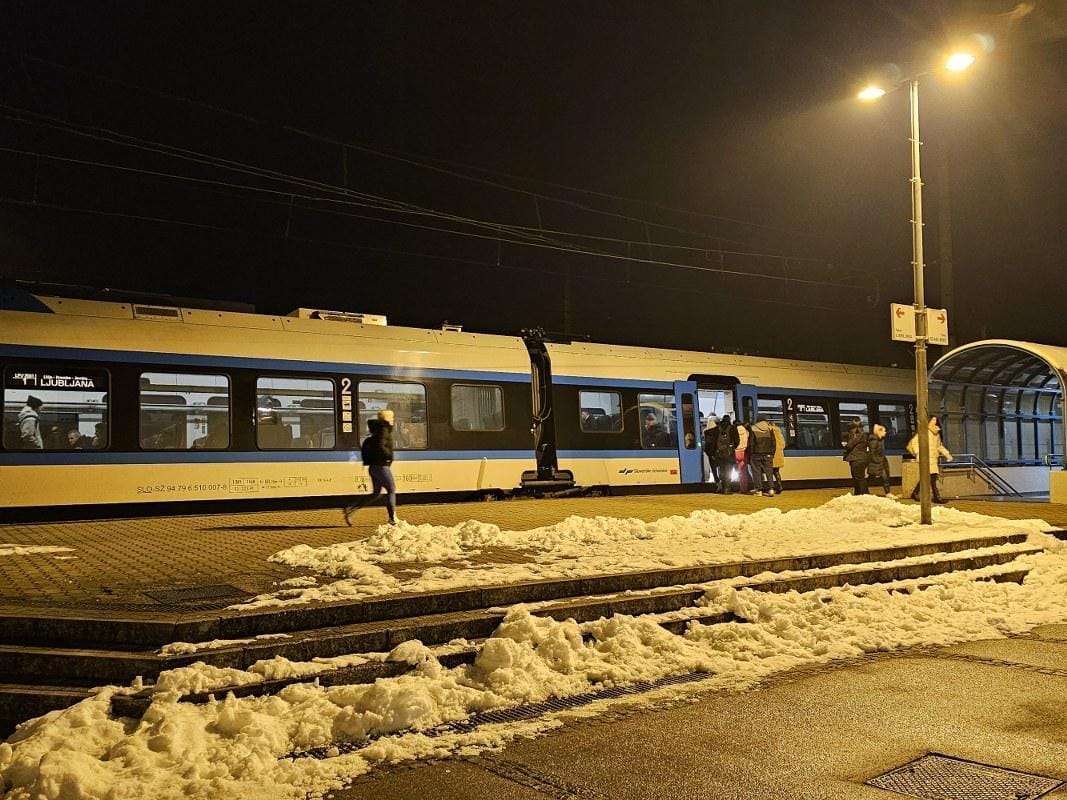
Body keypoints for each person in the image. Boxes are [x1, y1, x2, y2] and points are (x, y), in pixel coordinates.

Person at [344, 409, 398, 525]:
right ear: (387, 419)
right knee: (391, 489)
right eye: (392, 417)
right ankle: (392, 518)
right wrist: (388, 456)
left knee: (376, 493)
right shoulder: (384, 430)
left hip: (373, 467)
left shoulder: (378, 430)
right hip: (382, 466)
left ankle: (351, 509)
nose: (394, 420)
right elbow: (380, 445)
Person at [907, 416, 953, 503]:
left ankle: (915, 493)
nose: (934, 421)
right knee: (931, 478)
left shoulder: (936, 433)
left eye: (936, 420)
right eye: (932, 419)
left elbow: (939, 446)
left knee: (928, 478)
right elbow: (914, 443)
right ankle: (936, 496)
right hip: (925, 459)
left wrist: (947, 454)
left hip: (933, 459)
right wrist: (918, 453)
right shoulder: (924, 431)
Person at [748, 415, 777, 496]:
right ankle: (771, 489)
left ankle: (759, 490)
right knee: (769, 472)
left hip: (756, 454)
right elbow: (773, 442)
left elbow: (751, 443)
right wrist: (772, 454)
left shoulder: (753, 428)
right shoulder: (769, 429)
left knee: (756, 472)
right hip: (768, 454)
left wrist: (751, 453)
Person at [842, 418, 870, 495]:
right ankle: (858, 494)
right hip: (860, 458)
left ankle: (864, 494)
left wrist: (845, 440)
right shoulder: (862, 434)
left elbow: (849, 445)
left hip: (857, 458)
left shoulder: (857, 435)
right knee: (858, 478)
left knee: (859, 478)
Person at [866, 423, 895, 497]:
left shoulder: (880, 440)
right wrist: (878, 460)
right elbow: (872, 453)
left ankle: (864, 490)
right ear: (879, 432)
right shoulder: (874, 441)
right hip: (877, 462)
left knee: (874, 478)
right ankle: (887, 493)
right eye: (884, 431)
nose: (885, 433)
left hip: (879, 462)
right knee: (884, 477)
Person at [715, 414, 739, 493]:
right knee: (728, 471)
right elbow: (737, 441)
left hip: (720, 453)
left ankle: (722, 486)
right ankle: (727, 488)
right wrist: (732, 448)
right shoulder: (733, 428)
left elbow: (714, 441)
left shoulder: (717, 428)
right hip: (729, 453)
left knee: (722, 470)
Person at [769, 419, 786, 493]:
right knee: (776, 471)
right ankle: (779, 486)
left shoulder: (769, 432)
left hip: (772, 454)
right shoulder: (779, 432)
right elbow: (783, 444)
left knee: (769, 471)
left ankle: (772, 487)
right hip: (779, 454)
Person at [733, 418, 750, 494]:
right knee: (743, 472)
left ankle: (731, 486)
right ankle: (744, 489)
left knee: (734, 471)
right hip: (743, 453)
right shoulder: (745, 431)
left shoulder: (734, 430)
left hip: (735, 452)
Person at [702, 415, 719, 485]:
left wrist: (709, 453)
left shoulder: (706, 432)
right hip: (719, 452)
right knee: (721, 467)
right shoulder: (719, 431)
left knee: (713, 468)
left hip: (711, 454)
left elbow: (707, 444)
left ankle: (717, 482)